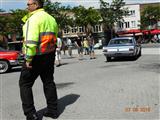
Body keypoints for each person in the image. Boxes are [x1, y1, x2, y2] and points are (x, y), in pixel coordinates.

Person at [19, 0, 58, 120]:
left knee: (25, 83)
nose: (27, 7)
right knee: (48, 81)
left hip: (35, 56)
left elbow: (31, 42)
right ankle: (52, 110)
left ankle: (31, 114)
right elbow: (55, 37)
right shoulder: (51, 19)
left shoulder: (34, 19)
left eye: (29, 4)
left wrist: (28, 59)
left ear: (36, 5)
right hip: (49, 54)